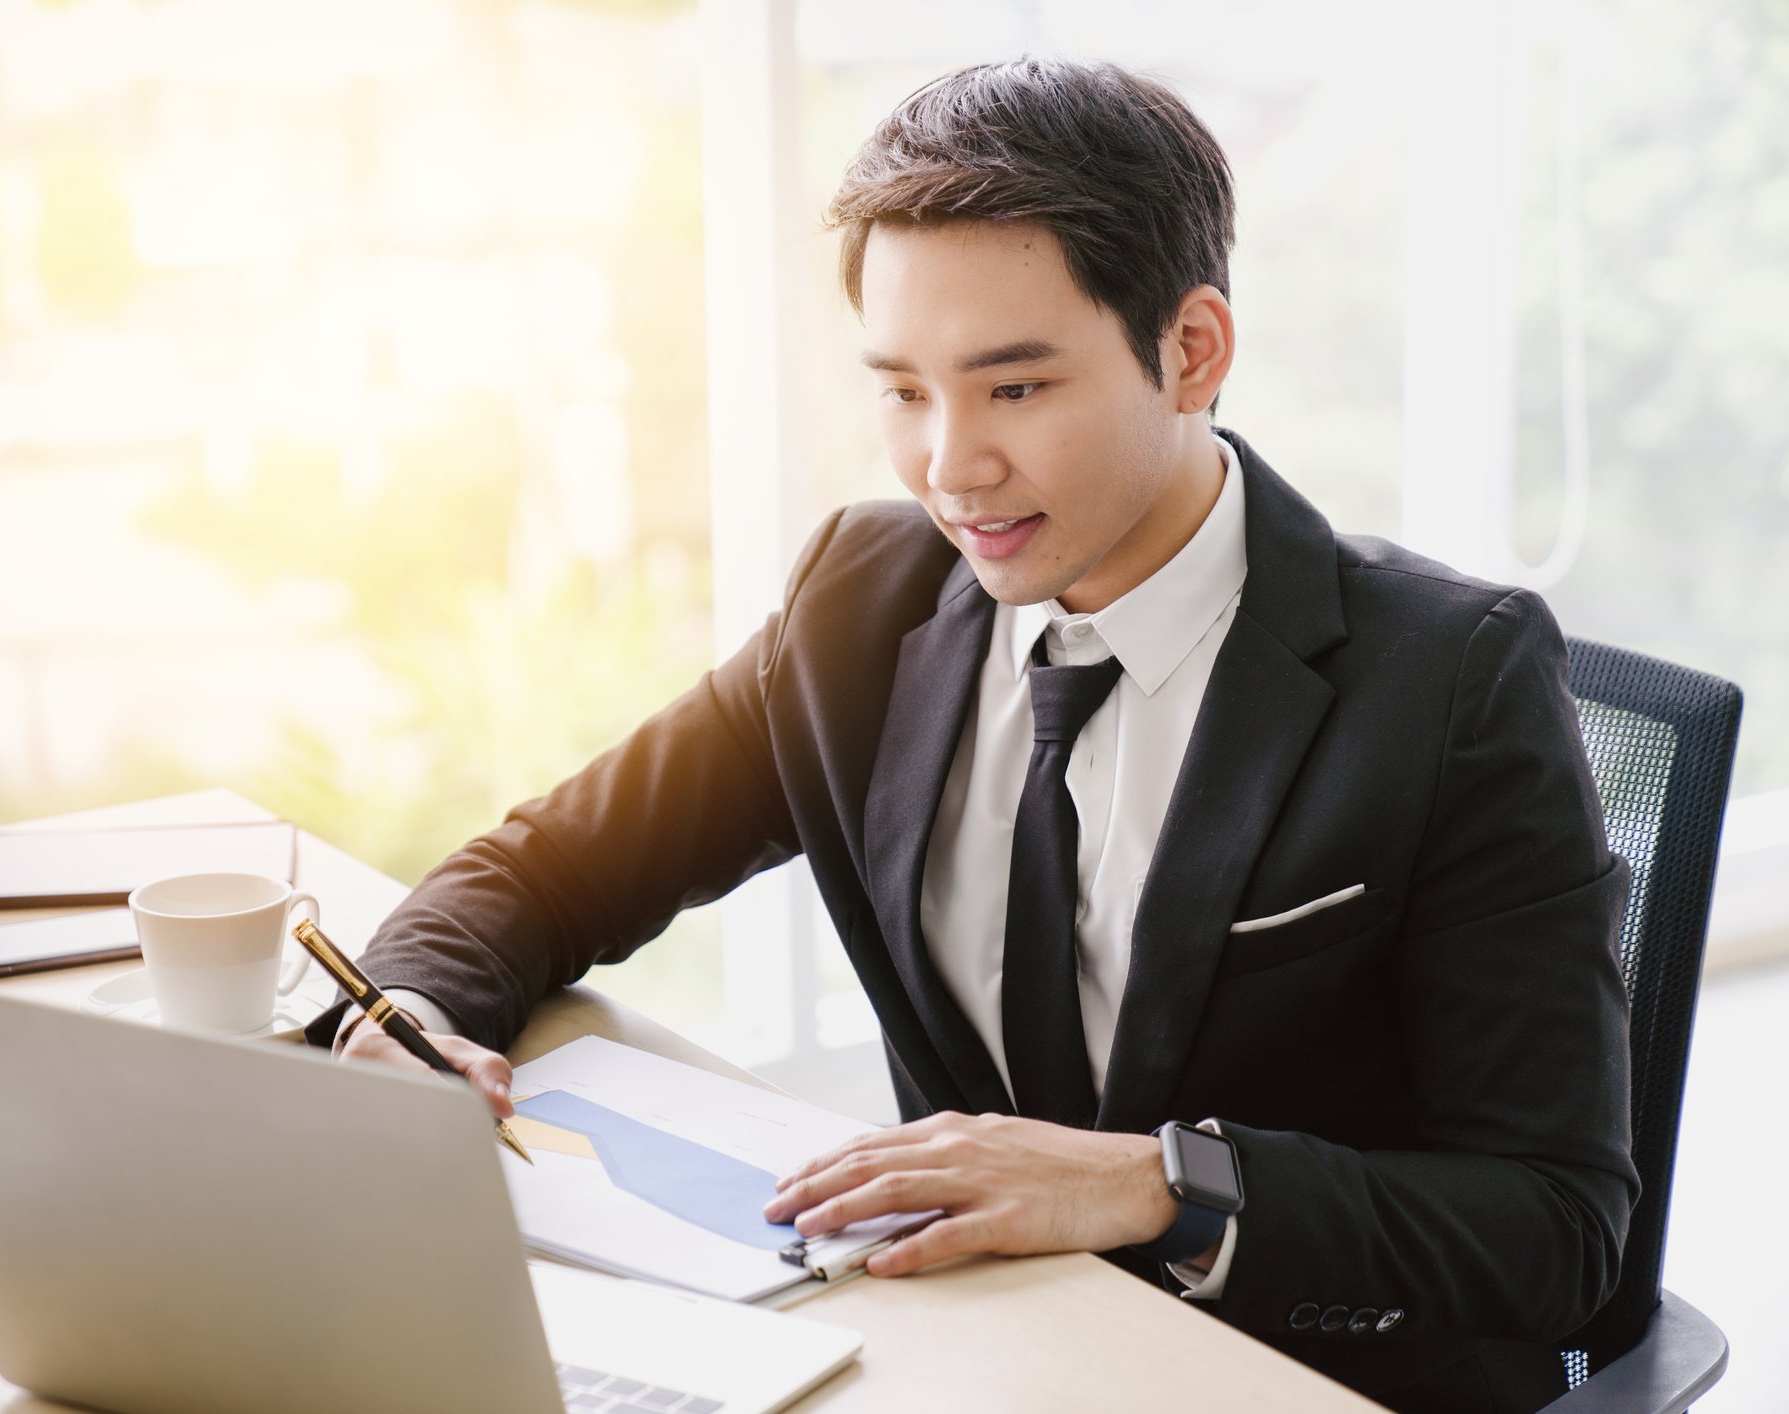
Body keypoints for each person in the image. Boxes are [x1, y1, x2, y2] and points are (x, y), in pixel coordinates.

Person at [309, 57, 1636, 1413]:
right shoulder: (859, 605)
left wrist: (1153, 1184)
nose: (949, 464)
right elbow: (550, 872)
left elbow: (1553, 1225)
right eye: (900, 389)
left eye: (1013, 388)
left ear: (1190, 351)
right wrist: (405, 1010)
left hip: (1290, 1373)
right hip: (969, 1351)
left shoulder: (1447, 678)